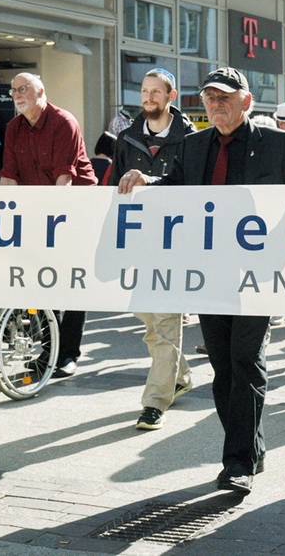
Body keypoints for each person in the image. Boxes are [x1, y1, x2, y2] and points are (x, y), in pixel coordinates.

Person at [117, 66, 285, 494]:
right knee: (223, 367)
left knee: (246, 360)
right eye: (211, 99)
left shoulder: (279, 144)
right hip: (208, 273)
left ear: (246, 102)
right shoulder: (194, 145)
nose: (217, 105)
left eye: (225, 98)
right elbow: (172, 186)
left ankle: (238, 462)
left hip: (259, 274)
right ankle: (251, 447)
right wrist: (146, 181)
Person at [0, 72, 98, 378]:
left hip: (74, 208)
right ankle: (48, 352)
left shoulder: (64, 122)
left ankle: (67, 354)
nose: (16, 94)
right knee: (41, 280)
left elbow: (65, 179)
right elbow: (9, 176)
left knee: (72, 283)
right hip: (37, 208)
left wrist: (51, 222)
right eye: (13, 91)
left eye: (23, 89)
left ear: (41, 92)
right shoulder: (13, 128)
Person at [109, 67, 195, 430]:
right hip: (138, 242)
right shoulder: (126, 138)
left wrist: (152, 183)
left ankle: (155, 402)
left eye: (156, 92)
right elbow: (115, 189)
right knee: (149, 319)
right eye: (144, 91)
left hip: (174, 243)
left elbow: (192, 188)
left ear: (170, 96)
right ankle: (180, 374)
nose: (148, 98)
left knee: (164, 322)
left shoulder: (190, 138)